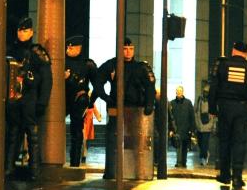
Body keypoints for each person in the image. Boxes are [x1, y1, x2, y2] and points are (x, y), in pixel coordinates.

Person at [208, 40, 247, 190]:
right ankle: (237, 177)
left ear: (233, 50)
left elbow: (213, 88)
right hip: (242, 108)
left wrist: (212, 108)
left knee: (224, 141)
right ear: (246, 53)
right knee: (239, 142)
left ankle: (225, 174)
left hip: (224, 107)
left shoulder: (222, 64)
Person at [96, 37, 155, 179]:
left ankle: (138, 170)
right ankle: (112, 171)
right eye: (125, 49)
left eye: (131, 49)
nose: (128, 52)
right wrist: (106, 98)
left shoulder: (140, 67)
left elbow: (150, 85)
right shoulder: (112, 65)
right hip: (117, 107)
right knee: (114, 141)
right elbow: (97, 81)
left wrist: (149, 104)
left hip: (136, 110)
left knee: (139, 143)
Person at [5, 17, 52, 180]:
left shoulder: (38, 53)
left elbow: (47, 79)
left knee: (32, 134)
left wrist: (42, 101)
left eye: (25, 31)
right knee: (12, 133)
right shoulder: (10, 50)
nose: (21, 34)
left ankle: (34, 170)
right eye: (19, 31)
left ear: (31, 32)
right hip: (13, 99)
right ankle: (8, 168)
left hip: (30, 98)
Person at [63, 35, 97, 168]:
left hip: (78, 100)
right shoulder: (62, 61)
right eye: (67, 47)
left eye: (71, 47)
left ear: (79, 48)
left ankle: (75, 162)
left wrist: (91, 101)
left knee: (76, 131)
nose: (68, 50)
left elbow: (97, 84)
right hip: (63, 99)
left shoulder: (87, 64)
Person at [169, 85, 197, 169]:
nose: (178, 92)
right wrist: (171, 129)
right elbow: (170, 117)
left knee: (185, 146)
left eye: (180, 91)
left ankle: (184, 162)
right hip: (176, 129)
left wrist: (192, 129)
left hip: (186, 129)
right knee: (178, 145)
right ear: (176, 92)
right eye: (177, 91)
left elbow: (192, 116)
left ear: (182, 92)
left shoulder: (188, 103)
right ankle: (179, 162)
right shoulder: (172, 103)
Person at [194, 81, 216, 166]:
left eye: (207, 92)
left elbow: (213, 114)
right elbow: (196, 111)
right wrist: (196, 123)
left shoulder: (212, 101)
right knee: (200, 142)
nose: (205, 93)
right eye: (204, 91)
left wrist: (213, 126)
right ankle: (205, 153)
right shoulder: (199, 100)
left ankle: (203, 158)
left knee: (204, 143)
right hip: (199, 125)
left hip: (207, 126)